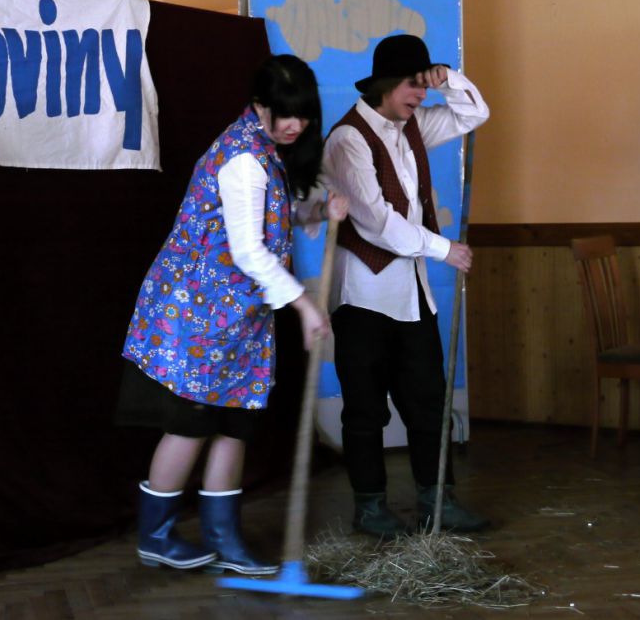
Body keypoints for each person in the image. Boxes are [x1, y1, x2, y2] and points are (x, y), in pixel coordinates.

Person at [120, 54, 348, 573]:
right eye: (283, 113)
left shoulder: (265, 151)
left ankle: (225, 539)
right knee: (192, 425)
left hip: (236, 320)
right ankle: (156, 537)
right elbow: (248, 250)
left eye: (303, 115)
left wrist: (314, 212)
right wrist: (304, 306)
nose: (294, 125)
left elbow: (268, 217)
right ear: (259, 105)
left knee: (234, 423)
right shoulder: (243, 158)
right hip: (194, 317)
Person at [322, 34, 490, 537]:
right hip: (364, 296)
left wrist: (449, 79)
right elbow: (377, 223)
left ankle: (438, 502)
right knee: (365, 410)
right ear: (384, 84)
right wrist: (444, 249)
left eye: (423, 84)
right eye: (412, 85)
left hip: (412, 296)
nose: (420, 94)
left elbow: (474, 114)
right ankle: (370, 508)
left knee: (428, 404)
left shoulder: (411, 125)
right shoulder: (348, 139)